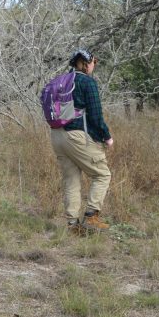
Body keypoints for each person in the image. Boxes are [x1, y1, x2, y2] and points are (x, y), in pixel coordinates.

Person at [50, 48, 113, 234]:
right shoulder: (88, 82)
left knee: (71, 180)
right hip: (76, 136)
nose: (94, 66)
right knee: (102, 175)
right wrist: (106, 137)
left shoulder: (60, 81)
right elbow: (95, 116)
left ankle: (72, 226)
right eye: (94, 62)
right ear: (86, 63)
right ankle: (91, 217)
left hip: (57, 135)